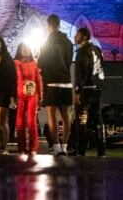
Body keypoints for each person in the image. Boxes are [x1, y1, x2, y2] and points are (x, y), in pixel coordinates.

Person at [37, 14, 73, 155]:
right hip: (65, 82)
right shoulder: (68, 42)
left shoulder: (47, 42)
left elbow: (41, 64)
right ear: (59, 24)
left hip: (51, 82)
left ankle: (56, 147)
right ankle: (64, 146)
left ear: (49, 25)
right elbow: (68, 61)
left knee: (51, 116)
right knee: (66, 117)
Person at [73, 27, 106, 157]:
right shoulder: (97, 50)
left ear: (84, 37)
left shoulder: (82, 52)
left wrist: (77, 92)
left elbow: (82, 72)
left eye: (77, 35)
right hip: (97, 90)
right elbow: (100, 68)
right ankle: (101, 151)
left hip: (86, 92)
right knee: (98, 119)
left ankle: (81, 151)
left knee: (82, 120)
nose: (75, 37)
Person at [14, 42, 42, 156]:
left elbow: (38, 80)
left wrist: (40, 96)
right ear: (19, 50)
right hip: (20, 95)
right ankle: (21, 148)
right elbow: (17, 78)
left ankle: (33, 148)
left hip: (32, 96)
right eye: (23, 48)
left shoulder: (34, 63)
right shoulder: (15, 63)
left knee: (31, 122)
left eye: (27, 48)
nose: (25, 50)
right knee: (20, 123)